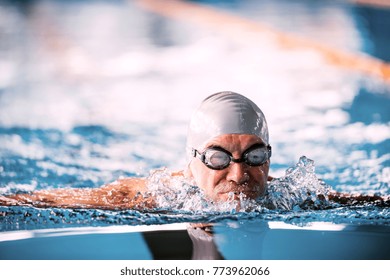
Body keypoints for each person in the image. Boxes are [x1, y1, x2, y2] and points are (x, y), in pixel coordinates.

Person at [0, 91, 388, 210]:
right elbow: (41, 201)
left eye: (254, 156)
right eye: (218, 157)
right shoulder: (153, 197)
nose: (238, 175)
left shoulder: (289, 197)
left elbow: (365, 202)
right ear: (193, 161)